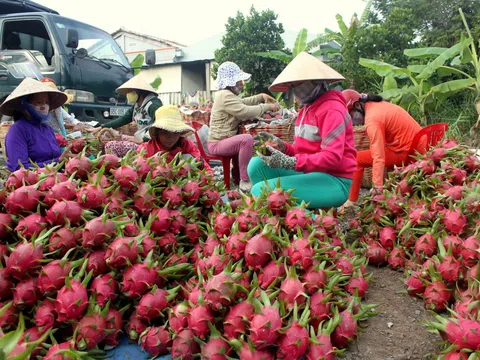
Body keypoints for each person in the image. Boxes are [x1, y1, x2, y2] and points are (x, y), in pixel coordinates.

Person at [247, 52, 357, 209]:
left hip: (334, 179)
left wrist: (290, 162)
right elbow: (301, 153)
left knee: (260, 191)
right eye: (293, 85)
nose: (296, 89)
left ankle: (314, 226)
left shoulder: (332, 109)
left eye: (299, 84)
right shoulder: (307, 109)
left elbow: (332, 157)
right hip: (310, 173)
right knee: (256, 165)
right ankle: (279, 217)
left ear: (317, 81)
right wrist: (282, 147)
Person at [207, 61, 279, 192]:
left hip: (223, 140)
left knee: (250, 140)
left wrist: (260, 97)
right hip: (217, 143)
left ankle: (242, 176)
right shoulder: (225, 96)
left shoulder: (227, 95)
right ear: (230, 82)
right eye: (238, 80)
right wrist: (267, 106)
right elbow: (244, 112)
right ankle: (244, 180)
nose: (241, 84)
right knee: (246, 139)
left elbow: (243, 102)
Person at [342, 89, 423, 203]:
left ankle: (351, 200)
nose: (351, 119)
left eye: (350, 114)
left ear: (358, 105)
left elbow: (378, 157)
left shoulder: (373, 119)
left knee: (357, 158)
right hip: (417, 145)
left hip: (408, 152)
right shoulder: (379, 105)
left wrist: (377, 187)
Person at [1, 77, 74, 171]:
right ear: (24, 106)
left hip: (54, 180)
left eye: (46, 102)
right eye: (39, 102)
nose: (44, 106)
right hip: (30, 184)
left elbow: (59, 160)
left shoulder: (47, 129)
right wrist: (58, 161)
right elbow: (19, 168)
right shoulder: (17, 131)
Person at [87, 75, 162, 157]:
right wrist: (101, 127)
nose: (128, 94)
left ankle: (119, 164)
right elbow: (123, 119)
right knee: (114, 136)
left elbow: (160, 124)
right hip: (138, 139)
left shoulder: (153, 105)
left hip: (149, 144)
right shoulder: (137, 105)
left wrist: (143, 140)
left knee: (110, 146)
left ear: (140, 92)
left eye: (131, 92)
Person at [137, 105, 212, 174]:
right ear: (157, 132)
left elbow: (206, 170)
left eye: (175, 132)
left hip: (183, 185)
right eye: (165, 132)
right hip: (154, 186)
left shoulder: (187, 145)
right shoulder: (144, 150)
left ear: (180, 132)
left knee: (188, 158)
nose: (171, 137)